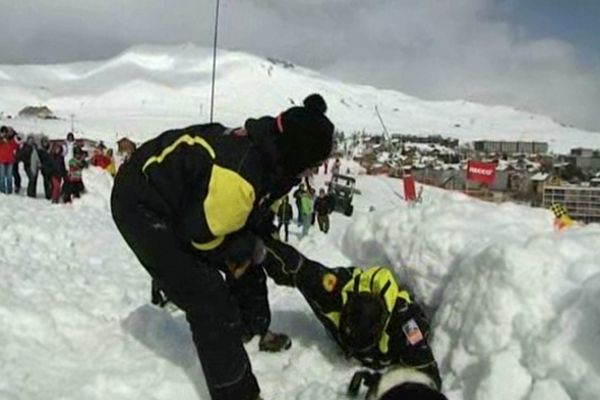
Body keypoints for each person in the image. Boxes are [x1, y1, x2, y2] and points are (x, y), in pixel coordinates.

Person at [110, 93, 334, 400]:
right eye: (315, 164)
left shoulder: (278, 160)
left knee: (250, 256)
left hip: (191, 203)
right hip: (142, 202)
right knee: (208, 296)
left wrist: (267, 249)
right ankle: (237, 393)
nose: (315, 171)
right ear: (298, 155)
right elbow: (201, 235)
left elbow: (256, 218)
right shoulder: (240, 174)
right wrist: (245, 246)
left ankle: (254, 330)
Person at [261, 238, 443, 394]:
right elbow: (299, 268)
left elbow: (427, 374)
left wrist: (388, 385)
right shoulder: (333, 294)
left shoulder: (407, 325)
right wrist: (258, 247)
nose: (352, 339)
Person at [0, 126, 18, 194]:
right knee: (2, 177)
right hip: (1, 160)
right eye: (2, 132)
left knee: (9, 177)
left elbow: (16, 146)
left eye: (5, 132)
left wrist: (12, 137)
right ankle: (2, 190)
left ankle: (9, 191)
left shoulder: (11, 139)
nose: (4, 134)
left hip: (10, 160)